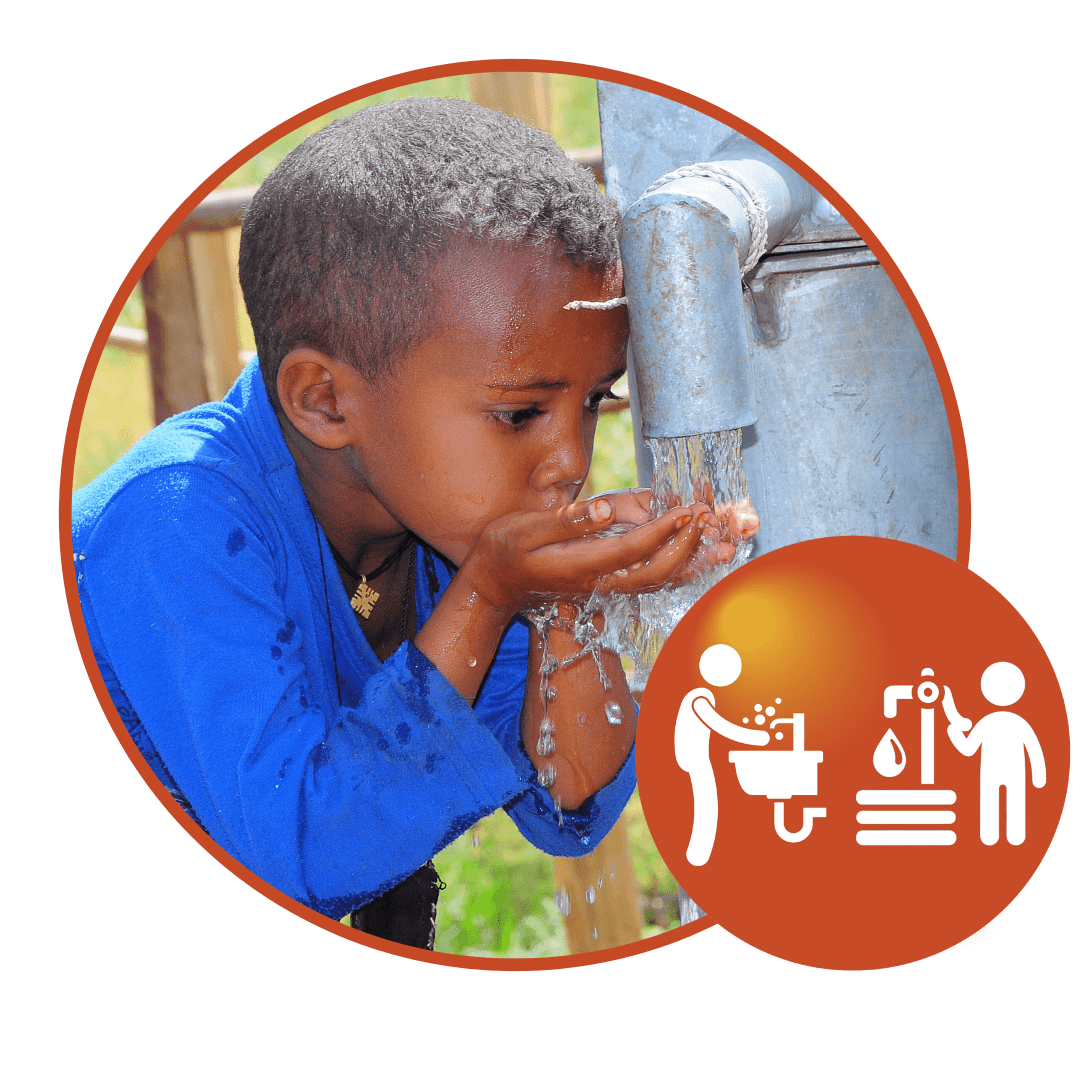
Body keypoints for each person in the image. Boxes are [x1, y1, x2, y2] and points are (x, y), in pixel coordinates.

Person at [72, 98, 757, 948]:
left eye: (593, 402)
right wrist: (494, 590)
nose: (570, 461)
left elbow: (571, 795)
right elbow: (301, 859)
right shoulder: (175, 521)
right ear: (324, 400)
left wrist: (566, 601)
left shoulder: (442, 526)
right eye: (518, 415)